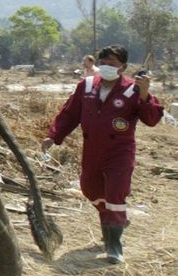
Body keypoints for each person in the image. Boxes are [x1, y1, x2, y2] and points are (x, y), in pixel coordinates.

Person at [40, 45, 163, 264]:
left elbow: (152, 120)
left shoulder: (133, 90)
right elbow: (69, 114)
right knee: (90, 189)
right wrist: (54, 136)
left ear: (123, 67)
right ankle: (115, 219)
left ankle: (114, 245)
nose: (107, 68)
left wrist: (145, 95)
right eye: (104, 64)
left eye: (113, 65)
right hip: (92, 150)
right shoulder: (86, 86)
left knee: (115, 193)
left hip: (120, 151)